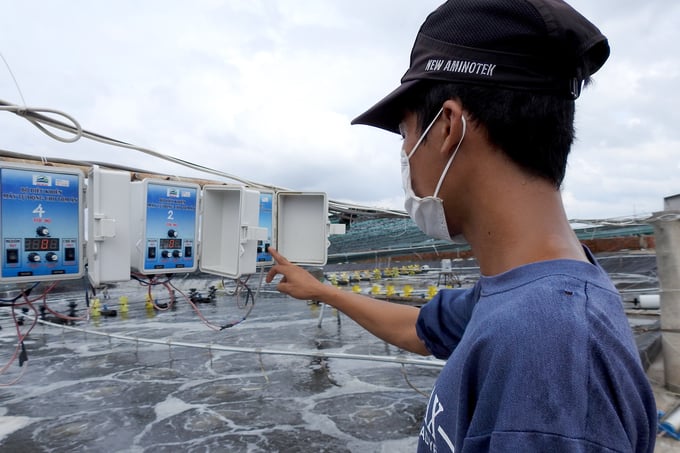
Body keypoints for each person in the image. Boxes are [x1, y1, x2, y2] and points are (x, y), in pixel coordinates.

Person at [266, 0, 657, 451]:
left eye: (405, 134)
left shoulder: (550, 350)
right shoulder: (521, 294)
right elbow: (419, 329)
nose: (406, 154)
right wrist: (321, 290)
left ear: (448, 126)